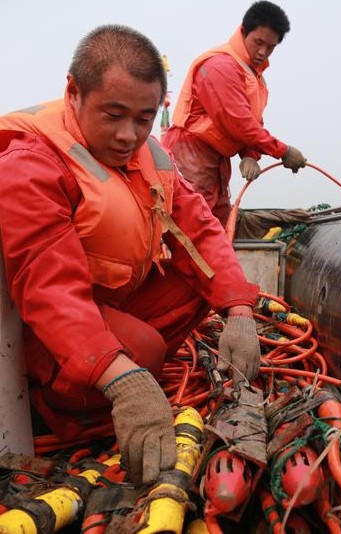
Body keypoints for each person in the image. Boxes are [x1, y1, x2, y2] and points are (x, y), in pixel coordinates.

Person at [0, 24, 262, 486]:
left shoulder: (149, 156)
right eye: (114, 114)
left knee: (200, 286)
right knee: (143, 349)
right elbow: (50, 290)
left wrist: (239, 311)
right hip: (37, 326)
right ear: (74, 92)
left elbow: (201, 230)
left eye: (144, 118)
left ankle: (111, 377)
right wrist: (122, 376)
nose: (128, 136)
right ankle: (56, 415)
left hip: (105, 301)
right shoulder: (31, 161)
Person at [162, 1, 307, 226]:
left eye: (270, 47)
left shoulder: (253, 76)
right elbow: (236, 121)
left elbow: (253, 120)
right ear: (243, 32)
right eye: (258, 42)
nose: (263, 52)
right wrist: (283, 151)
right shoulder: (221, 66)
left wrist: (250, 154)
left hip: (217, 160)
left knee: (218, 222)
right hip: (191, 154)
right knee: (193, 223)